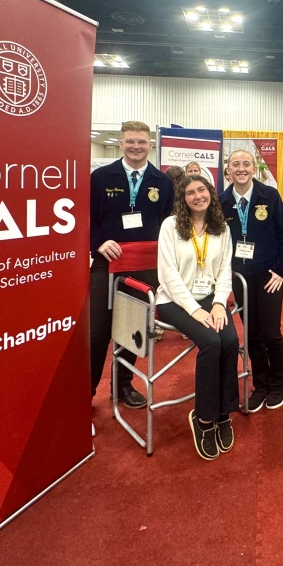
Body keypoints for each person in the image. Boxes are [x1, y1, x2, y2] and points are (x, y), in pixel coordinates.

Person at [90, 121, 175, 410]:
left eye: (141, 141)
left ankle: (122, 385)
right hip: (107, 263)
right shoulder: (100, 177)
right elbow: (85, 217)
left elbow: (168, 224)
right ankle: (85, 392)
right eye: (130, 141)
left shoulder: (162, 182)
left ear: (150, 144)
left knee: (133, 328)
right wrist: (98, 243)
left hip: (144, 267)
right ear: (121, 142)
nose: (136, 146)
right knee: (98, 331)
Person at [156, 175, 240, 461]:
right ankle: (204, 419)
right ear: (183, 198)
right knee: (210, 342)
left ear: (210, 193)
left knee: (229, 339)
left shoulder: (222, 227)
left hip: (209, 300)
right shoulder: (170, 226)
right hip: (174, 300)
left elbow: (225, 271)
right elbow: (168, 275)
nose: (197, 196)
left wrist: (219, 303)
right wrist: (194, 309)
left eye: (201, 190)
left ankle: (223, 413)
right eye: (189, 192)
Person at [219, 150, 283, 412]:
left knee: (271, 333)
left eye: (246, 164)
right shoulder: (221, 202)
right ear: (228, 170)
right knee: (251, 335)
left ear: (254, 169)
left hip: (269, 276)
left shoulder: (269, 196)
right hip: (241, 279)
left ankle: (278, 384)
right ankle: (261, 385)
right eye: (235, 165)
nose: (241, 169)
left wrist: (280, 270)